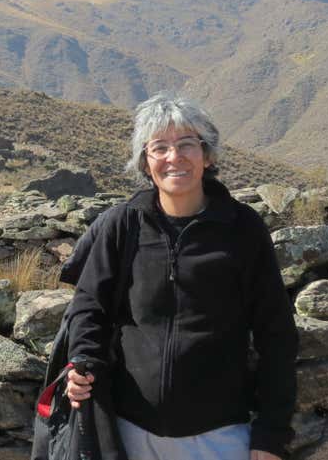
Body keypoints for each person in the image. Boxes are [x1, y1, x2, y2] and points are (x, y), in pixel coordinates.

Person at [65, 92, 298, 460]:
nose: (174, 157)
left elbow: (277, 334)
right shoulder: (122, 225)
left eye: (187, 144)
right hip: (128, 433)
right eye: (159, 148)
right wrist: (83, 362)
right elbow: (88, 305)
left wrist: (271, 434)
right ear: (146, 162)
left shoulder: (242, 229)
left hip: (220, 436)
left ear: (207, 155)